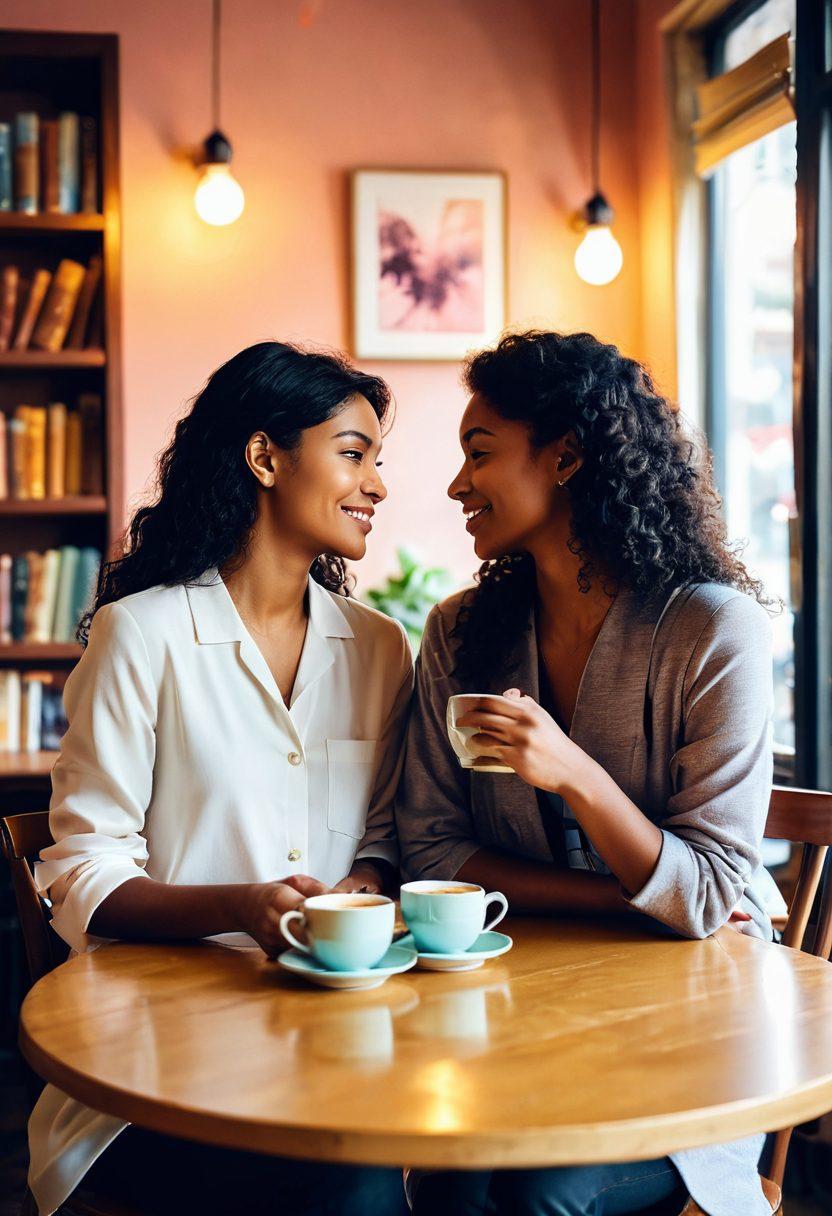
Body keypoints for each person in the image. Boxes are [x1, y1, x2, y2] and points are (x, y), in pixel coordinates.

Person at [396, 330, 783, 1216]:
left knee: (542, 1194)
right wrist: (623, 899)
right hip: (518, 1018)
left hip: (691, 1035)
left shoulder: (711, 632)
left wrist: (578, 776)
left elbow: (716, 892)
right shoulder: (460, 633)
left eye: (479, 453)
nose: (457, 484)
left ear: (567, 455)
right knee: (447, 1184)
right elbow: (431, 852)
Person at [28, 341, 413, 1216]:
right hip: (155, 1071)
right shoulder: (141, 635)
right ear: (264, 456)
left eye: (376, 462)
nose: (378, 486)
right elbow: (82, 871)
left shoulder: (383, 648)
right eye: (353, 455)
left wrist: (365, 882)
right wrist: (241, 905)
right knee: (354, 1189)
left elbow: (387, 834)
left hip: (341, 1048)